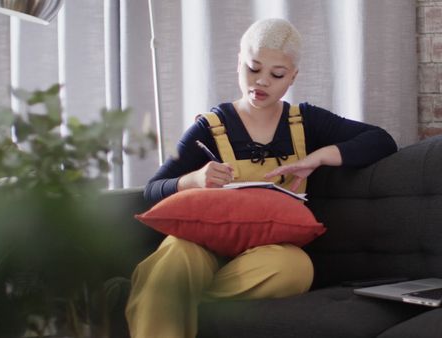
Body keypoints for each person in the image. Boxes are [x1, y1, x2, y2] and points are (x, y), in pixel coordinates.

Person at [125, 18, 397, 338]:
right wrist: (195, 179)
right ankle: (171, 302)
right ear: (238, 61)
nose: (262, 82)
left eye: (277, 74)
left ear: (293, 76)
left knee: (295, 268)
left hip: (266, 252)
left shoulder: (304, 121)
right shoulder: (210, 127)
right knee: (175, 258)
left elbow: (381, 140)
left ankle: (178, 302)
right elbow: (152, 191)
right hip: (203, 245)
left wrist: (318, 157)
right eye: (253, 69)